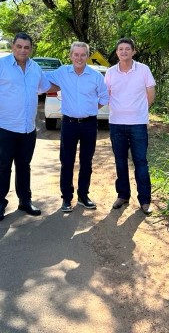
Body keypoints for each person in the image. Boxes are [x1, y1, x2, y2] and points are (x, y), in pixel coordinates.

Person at [0, 33, 52, 221]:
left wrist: (73, 82)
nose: (22, 50)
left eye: (26, 47)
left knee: (24, 166)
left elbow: (47, 86)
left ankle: (25, 201)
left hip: (28, 129)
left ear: (31, 49)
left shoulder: (35, 68)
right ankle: (0, 204)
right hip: (4, 128)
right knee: (3, 166)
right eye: (19, 46)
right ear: (12, 46)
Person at [47, 41, 109, 213]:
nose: (79, 58)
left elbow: (104, 97)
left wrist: (89, 110)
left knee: (86, 162)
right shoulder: (62, 72)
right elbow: (43, 81)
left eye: (83, 55)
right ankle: (66, 198)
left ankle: (83, 196)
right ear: (70, 55)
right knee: (67, 161)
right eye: (76, 54)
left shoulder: (96, 76)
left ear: (87, 56)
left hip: (89, 124)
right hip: (69, 124)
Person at [104, 38, 156, 215]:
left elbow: (151, 93)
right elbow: (107, 95)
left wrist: (140, 111)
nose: (124, 51)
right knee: (120, 161)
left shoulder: (143, 69)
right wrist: (120, 111)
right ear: (117, 52)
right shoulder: (110, 72)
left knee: (140, 162)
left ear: (134, 51)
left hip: (138, 124)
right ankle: (123, 195)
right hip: (116, 124)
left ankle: (145, 201)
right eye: (120, 49)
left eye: (127, 49)